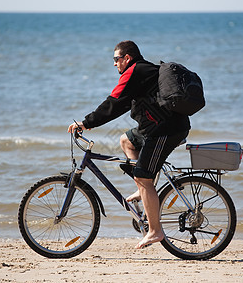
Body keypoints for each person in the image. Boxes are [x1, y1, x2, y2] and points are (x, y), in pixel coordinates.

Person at [68, 40, 190, 249]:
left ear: (127, 58)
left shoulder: (135, 71)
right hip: (155, 127)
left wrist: (86, 123)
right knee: (126, 140)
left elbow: (114, 102)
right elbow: (123, 103)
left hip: (165, 130)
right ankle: (143, 188)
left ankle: (155, 231)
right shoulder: (141, 71)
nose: (114, 64)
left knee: (143, 176)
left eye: (116, 59)